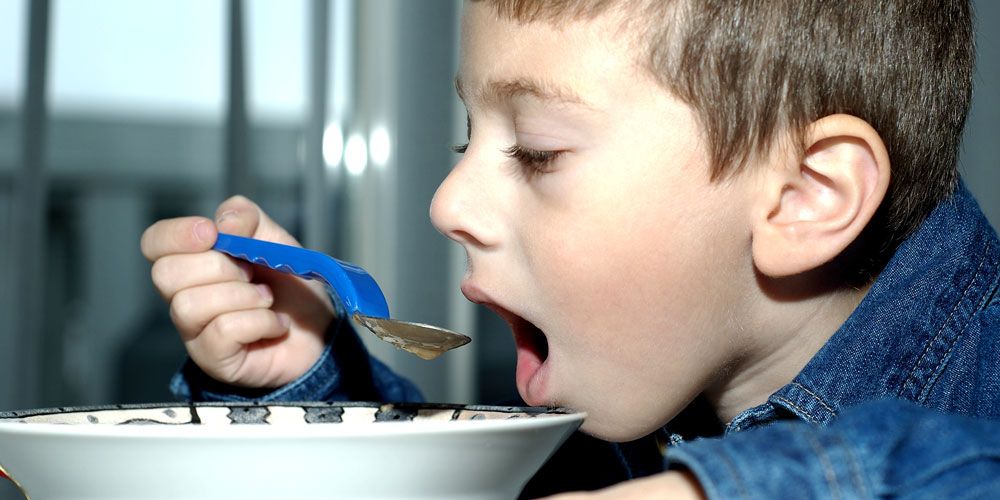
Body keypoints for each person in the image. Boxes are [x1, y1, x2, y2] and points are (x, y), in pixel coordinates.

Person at [140, 0, 1000, 497]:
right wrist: (308, 384)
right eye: (468, 135)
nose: (447, 203)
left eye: (538, 150)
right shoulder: (642, 367)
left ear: (805, 196)